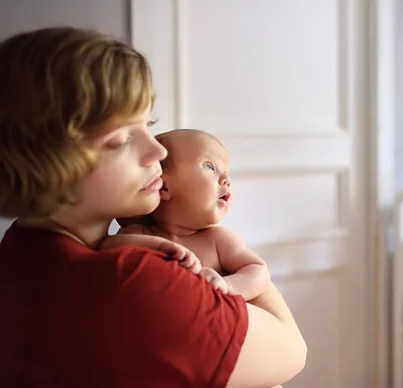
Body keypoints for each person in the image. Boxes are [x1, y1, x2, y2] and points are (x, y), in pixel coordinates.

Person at [0, 27, 306, 388]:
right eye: (121, 139)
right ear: (47, 162)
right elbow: (293, 351)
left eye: (148, 124)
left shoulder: (18, 248)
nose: (158, 151)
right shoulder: (133, 283)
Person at [102, 129, 271, 302]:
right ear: (164, 187)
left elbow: (258, 270)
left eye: (226, 172)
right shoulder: (144, 234)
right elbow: (107, 249)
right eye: (209, 166)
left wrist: (228, 286)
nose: (226, 180)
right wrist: (158, 246)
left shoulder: (218, 240)